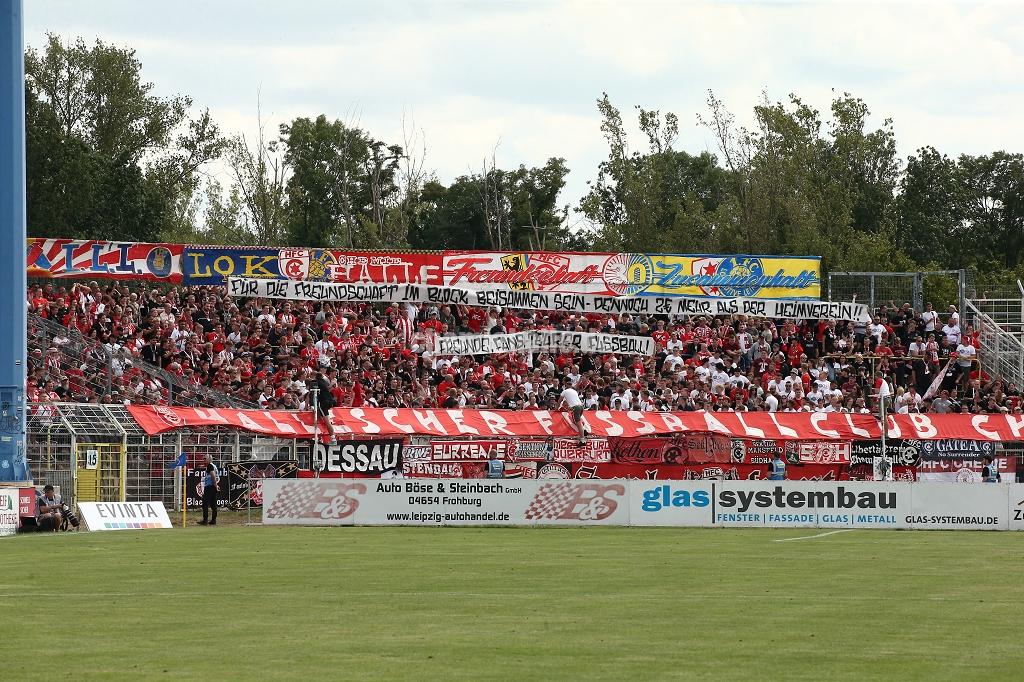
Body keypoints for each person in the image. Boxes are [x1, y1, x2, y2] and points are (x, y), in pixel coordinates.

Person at [558, 379, 587, 445]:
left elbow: (560, 400)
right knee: (577, 420)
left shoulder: (565, 391)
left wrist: (556, 408)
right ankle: (584, 430)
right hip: (581, 406)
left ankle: (582, 440)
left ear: (566, 385)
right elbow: (573, 402)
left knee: (578, 423)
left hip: (576, 407)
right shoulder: (574, 391)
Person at [199, 455, 220, 526]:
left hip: (209, 486)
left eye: (205, 458)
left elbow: (213, 475)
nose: (203, 460)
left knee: (205, 504)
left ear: (209, 459)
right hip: (213, 486)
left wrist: (215, 485)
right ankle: (213, 520)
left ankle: (205, 520)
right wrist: (216, 485)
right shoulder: (214, 466)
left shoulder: (210, 466)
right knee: (213, 504)